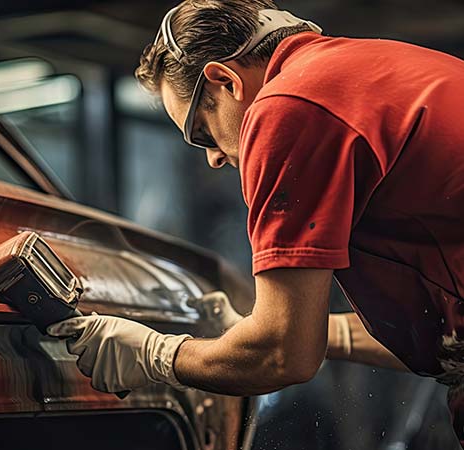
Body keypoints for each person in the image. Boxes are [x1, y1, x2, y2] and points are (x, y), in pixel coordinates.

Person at [47, 0, 464, 444]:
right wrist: (278, 332)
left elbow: (284, 355)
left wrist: (158, 356)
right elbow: (444, 338)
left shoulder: (290, 104)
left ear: (224, 80)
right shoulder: (385, 66)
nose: (211, 158)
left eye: (201, 131)